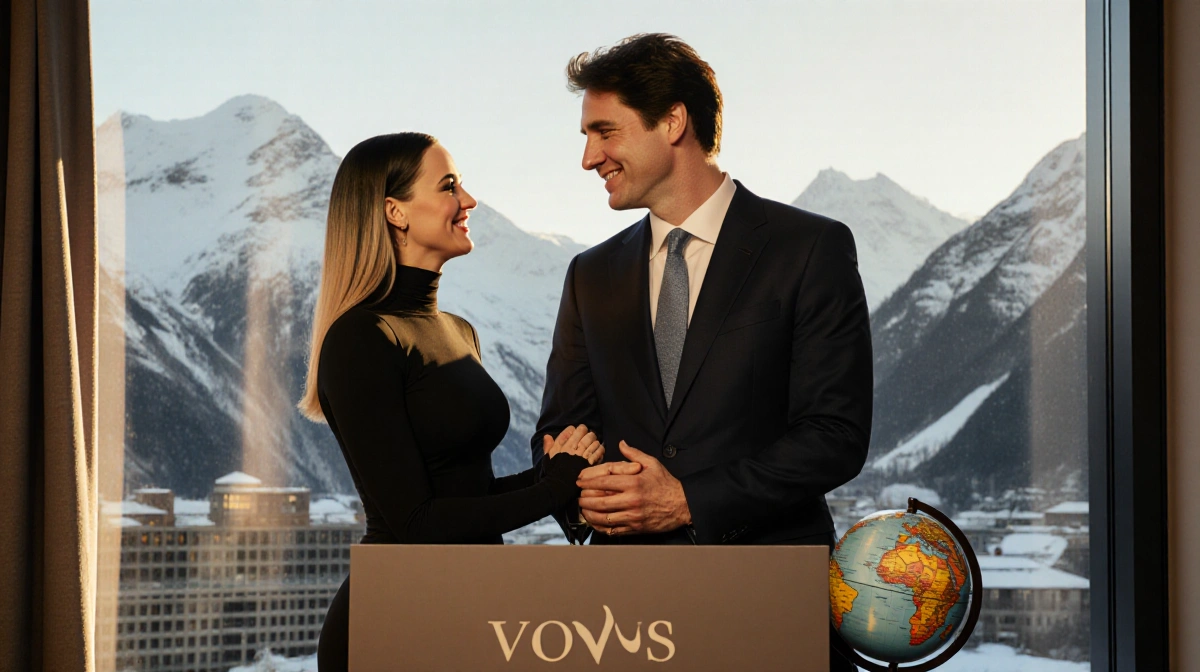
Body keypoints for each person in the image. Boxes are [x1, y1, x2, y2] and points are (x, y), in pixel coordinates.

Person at [531, 34, 872, 670]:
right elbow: (560, 430)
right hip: (625, 618)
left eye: (603, 132)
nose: (587, 158)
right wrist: (575, 480)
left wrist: (688, 500)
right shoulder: (590, 274)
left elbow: (836, 434)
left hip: (770, 604)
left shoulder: (808, 248)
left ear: (673, 121)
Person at [298, 133, 603, 672]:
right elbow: (417, 521)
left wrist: (561, 474)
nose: (469, 200)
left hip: (472, 602)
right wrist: (551, 486)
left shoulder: (459, 331)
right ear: (395, 211)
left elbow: (470, 493)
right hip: (395, 615)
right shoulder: (362, 338)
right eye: (448, 186)